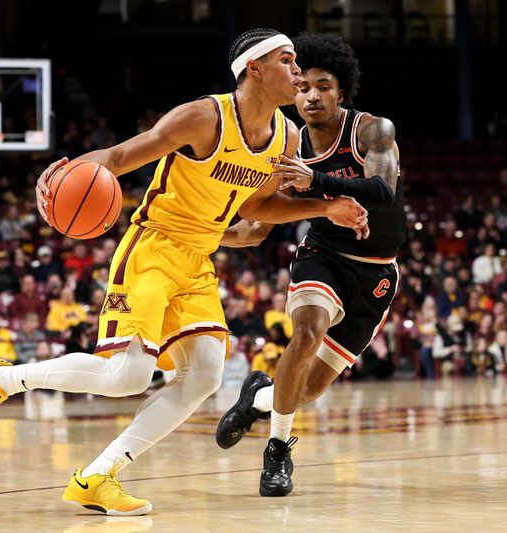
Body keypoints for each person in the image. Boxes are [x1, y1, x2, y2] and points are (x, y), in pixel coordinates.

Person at [0, 28, 367, 516]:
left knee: (205, 375)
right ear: (254, 68)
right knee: (128, 375)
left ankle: (97, 476)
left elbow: (257, 206)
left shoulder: (287, 136)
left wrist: (325, 207)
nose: (298, 71)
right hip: (153, 249)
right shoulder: (204, 118)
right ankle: (0, 379)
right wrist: (64, 173)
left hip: (199, 261)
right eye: (287, 60)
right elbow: (118, 158)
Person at [215, 33, 401, 497]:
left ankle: (258, 396)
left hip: (377, 270)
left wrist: (314, 179)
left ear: (342, 92)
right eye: (303, 87)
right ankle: (278, 451)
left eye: (324, 86)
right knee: (306, 332)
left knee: (308, 388)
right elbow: (256, 228)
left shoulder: (371, 130)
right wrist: (202, 235)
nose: (311, 96)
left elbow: (383, 191)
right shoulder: (286, 149)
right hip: (324, 255)